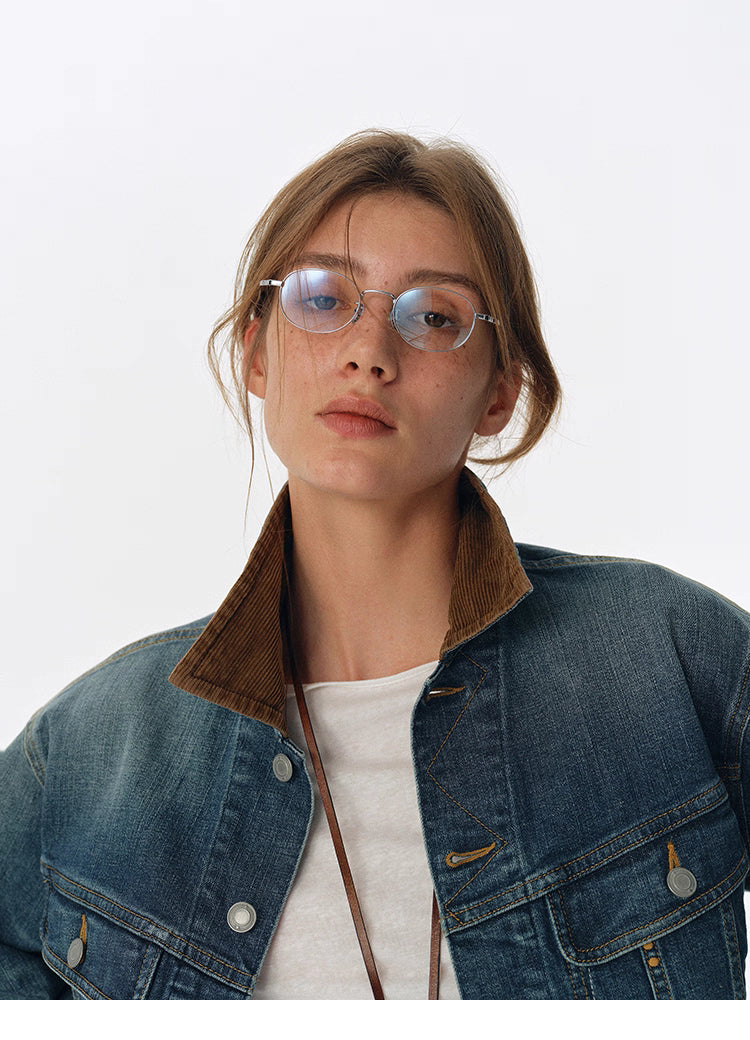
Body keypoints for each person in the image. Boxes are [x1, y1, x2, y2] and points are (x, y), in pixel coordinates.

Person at [1, 129, 748, 1001]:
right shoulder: (94, 754)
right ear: (255, 351)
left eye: (433, 316)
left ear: (499, 391)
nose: (369, 351)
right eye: (323, 298)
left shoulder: (663, 659)